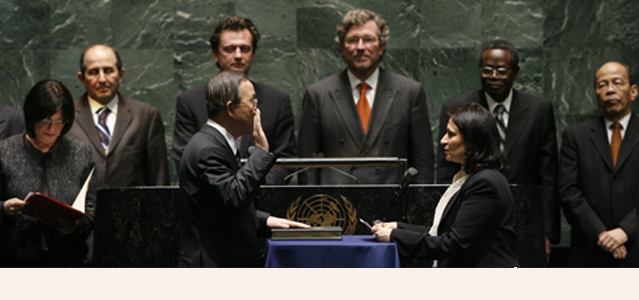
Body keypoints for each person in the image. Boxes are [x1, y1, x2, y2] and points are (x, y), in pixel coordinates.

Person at [436, 40, 560, 261]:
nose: (493, 75)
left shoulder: (539, 110)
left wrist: (548, 232)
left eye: (501, 70)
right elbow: (446, 172)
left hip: (525, 217)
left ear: (515, 72)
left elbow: (548, 175)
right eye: (487, 69)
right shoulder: (457, 108)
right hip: (469, 218)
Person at [178, 70, 309, 267]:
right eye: (252, 103)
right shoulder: (207, 148)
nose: (256, 111)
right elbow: (233, 197)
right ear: (231, 108)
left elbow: (217, 206)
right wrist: (261, 152)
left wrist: (264, 220)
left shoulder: (217, 142)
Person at [372, 103, 519, 267]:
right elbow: (442, 232)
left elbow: (452, 243)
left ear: (472, 141)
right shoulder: (470, 176)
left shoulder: (485, 183)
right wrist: (399, 228)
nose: (443, 140)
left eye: (451, 134)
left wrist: (394, 236)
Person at [297, 9, 433, 184]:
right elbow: (307, 166)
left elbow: (423, 163)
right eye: (353, 40)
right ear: (342, 48)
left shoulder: (410, 92)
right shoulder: (318, 94)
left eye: (368, 39)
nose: (360, 47)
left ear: (382, 46)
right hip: (336, 204)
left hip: (392, 201)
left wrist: (420, 208)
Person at [173, 16, 297, 185]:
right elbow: (186, 160)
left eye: (245, 49)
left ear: (253, 54)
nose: (238, 55)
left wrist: (252, 193)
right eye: (230, 49)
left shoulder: (277, 101)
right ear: (215, 54)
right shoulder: (190, 102)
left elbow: (285, 161)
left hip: (263, 199)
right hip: (212, 200)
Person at [0, 79, 96, 267]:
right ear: (32, 117)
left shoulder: (81, 153)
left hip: (67, 258)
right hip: (16, 258)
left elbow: (92, 210)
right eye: (46, 121)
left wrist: (77, 225)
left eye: (59, 121)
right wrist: (4, 209)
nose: (52, 128)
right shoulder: (4, 151)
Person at [559, 61, 639, 267]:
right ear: (595, 94)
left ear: (633, 91)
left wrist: (626, 231)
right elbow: (568, 191)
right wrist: (602, 235)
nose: (610, 90)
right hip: (590, 251)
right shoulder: (575, 136)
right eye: (602, 85)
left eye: (617, 83)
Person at [67, 44, 170, 189]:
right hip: (80, 210)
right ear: (82, 78)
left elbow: (159, 181)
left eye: (108, 71)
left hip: (132, 210)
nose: (102, 79)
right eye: (94, 72)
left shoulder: (146, 116)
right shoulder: (66, 115)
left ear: (121, 74)